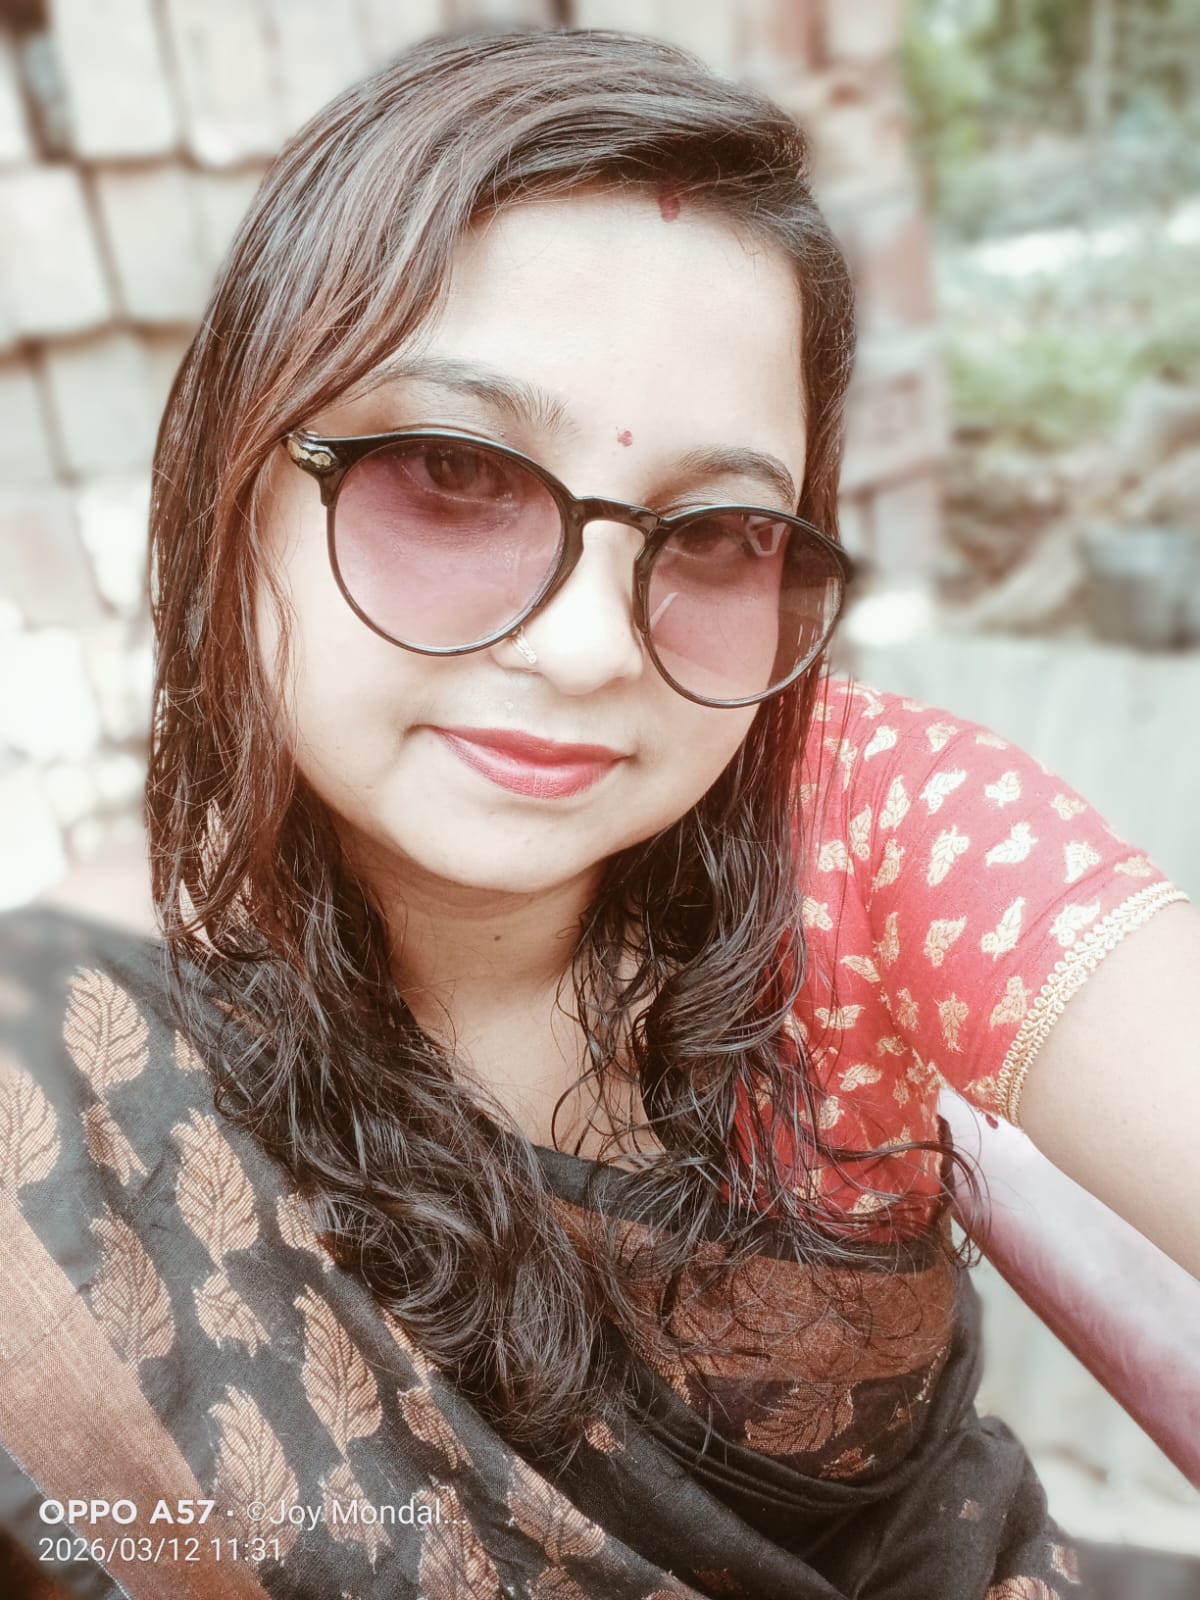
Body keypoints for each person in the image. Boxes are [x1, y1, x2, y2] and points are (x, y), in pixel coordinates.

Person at [1, 25, 1198, 1600]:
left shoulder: (861, 815)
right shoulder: (52, 1087)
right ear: (234, 490)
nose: (585, 650)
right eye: (451, 473)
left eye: (719, 534)